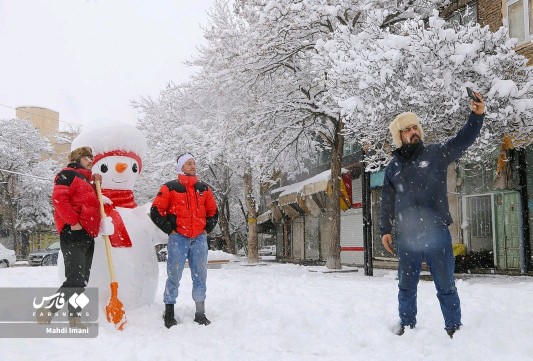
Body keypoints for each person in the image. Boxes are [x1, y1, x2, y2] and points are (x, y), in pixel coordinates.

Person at [380, 92, 485, 338]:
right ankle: (406, 325)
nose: (413, 131)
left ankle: (453, 327)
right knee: (406, 285)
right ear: (399, 136)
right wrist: (384, 229)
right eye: (407, 129)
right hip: (406, 235)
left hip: (436, 231)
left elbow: (463, 140)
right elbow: (386, 201)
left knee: (446, 284)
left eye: (415, 126)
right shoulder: (393, 167)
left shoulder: (436, 153)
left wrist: (476, 116)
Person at [36, 147, 113, 327]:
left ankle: (74, 317)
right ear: (78, 158)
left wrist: (95, 185)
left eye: (92, 157)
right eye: (88, 157)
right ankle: (48, 311)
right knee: (74, 279)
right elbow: (59, 200)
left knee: (82, 279)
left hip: (87, 233)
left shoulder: (85, 180)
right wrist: (73, 222)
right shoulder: (67, 175)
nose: (91, 160)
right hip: (73, 232)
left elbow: (88, 202)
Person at [150, 153, 218, 328]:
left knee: (200, 275)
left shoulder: (204, 188)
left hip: (199, 239)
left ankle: (200, 313)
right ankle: (169, 312)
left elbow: (213, 211)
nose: (193, 166)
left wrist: (206, 228)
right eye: (189, 163)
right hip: (178, 238)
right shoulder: (169, 188)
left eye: (194, 163)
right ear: (181, 167)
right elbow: (156, 211)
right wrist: (170, 230)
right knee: (174, 275)